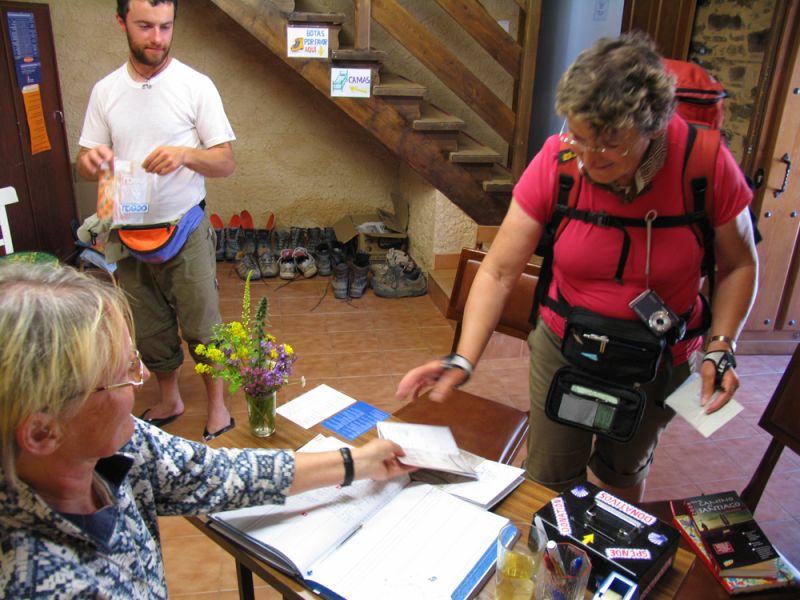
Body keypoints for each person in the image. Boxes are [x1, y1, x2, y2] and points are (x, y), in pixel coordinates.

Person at [397, 33, 758, 502]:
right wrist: (463, 358)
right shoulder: (558, 159)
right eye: (578, 135)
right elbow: (500, 270)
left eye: (608, 145)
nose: (588, 158)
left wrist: (721, 346)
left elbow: (738, 266)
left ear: (653, 128)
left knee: (621, 476)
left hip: (660, 356)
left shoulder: (704, 162)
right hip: (566, 346)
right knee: (548, 478)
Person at [0, 262, 414, 598]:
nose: (144, 375)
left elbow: (215, 473)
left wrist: (356, 461)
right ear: (40, 434)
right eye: (124, 373)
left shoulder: (115, 450)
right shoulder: (38, 581)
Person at [75, 0, 235, 440]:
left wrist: (186, 154)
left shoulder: (195, 85)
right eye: (145, 26)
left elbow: (224, 162)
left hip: (184, 225)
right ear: (121, 21)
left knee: (203, 324)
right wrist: (93, 162)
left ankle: (218, 408)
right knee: (147, 325)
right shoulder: (105, 90)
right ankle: (171, 398)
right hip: (124, 227)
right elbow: (83, 160)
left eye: (166, 27)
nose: (157, 38)